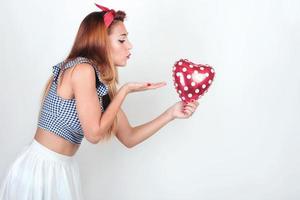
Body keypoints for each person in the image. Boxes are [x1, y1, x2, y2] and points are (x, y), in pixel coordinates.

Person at [0, 3, 199, 200]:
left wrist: (171, 114)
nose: (130, 45)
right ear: (101, 42)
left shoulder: (100, 86)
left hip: (64, 170)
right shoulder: (82, 69)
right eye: (122, 40)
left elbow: (129, 138)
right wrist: (125, 91)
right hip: (41, 170)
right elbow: (93, 134)